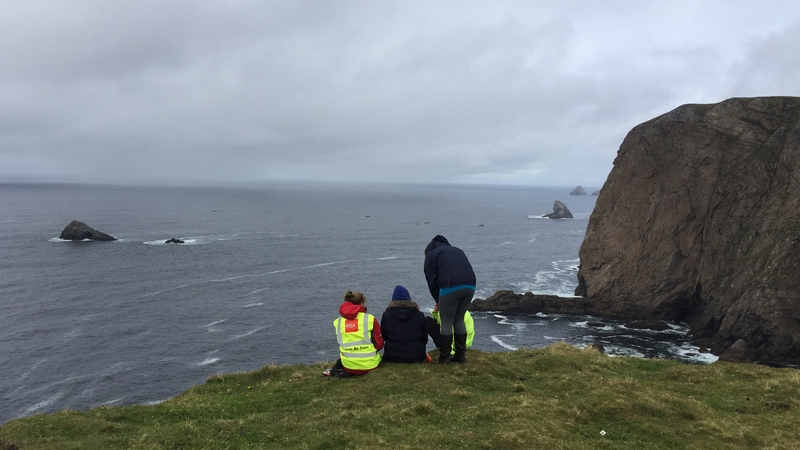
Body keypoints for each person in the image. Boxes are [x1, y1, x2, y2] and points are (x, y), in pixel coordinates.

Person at [423, 235, 476, 364]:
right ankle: (460, 355)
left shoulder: (431, 255)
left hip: (450, 286)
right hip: (470, 285)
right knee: (459, 319)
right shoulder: (457, 250)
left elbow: (431, 281)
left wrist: (438, 300)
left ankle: (444, 358)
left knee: (446, 322)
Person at [324, 290, 384, 377]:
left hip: (348, 365)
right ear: (361, 304)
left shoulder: (338, 322)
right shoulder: (370, 319)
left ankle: (336, 370)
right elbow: (379, 344)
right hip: (370, 365)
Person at [380, 285, 428, 363]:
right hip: (416, 355)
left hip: (392, 355)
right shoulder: (419, 315)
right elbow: (424, 338)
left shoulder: (387, 314)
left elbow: (384, 336)